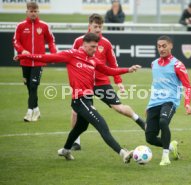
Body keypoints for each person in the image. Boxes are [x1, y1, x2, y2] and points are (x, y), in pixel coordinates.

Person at [14, 33, 141, 163]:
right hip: (79, 99)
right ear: (84, 45)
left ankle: (65, 150)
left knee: (81, 128)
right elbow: (47, 57)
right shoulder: (71, 55)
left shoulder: (93, 60)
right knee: (101, 124)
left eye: (96, 47)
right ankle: (123, 153)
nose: (95, 50)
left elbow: (108, 70)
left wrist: (128, 70)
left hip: (87, 99)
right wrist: (25, 55)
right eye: (92, 47)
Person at [71, 13, 146, 150]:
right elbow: (72, 60)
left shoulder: (105, 43)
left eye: (100, 27)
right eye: (95, 26)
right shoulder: (79, 41)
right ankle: (76, 142)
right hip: (84, 83)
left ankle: (139, 120)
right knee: (76, 111)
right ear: (89, 26)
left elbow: (113, 64)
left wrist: (119, 82)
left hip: (101, 83)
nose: (98, 29)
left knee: (118, 107)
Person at [145, 35, 191, 166]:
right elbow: (155, 85)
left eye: (164, 46)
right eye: (159, 46)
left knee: (163, 122)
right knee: (150, 138)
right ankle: (171, 146)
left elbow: (187, 86)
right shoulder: (154, 64)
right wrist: (148, 105)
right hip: (154, 103)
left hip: (170, 101)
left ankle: (165, 157)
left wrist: (187, 104)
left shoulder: (177, 64)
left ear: (171, 46)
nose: (161, 49)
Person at [13, 2, 57, 122]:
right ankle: (36, 109)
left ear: (38, 12)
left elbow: (51, 41)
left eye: (35, 11)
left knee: (33, 85)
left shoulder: (44, 26)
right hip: (25, 62)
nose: (33, 13)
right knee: (29, 87)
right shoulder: (20, 26)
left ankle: (29, 112)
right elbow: (16, 41)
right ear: (27, 12)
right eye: (31, 11)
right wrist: (22, 51)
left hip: (39, 62)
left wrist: (54, 54)